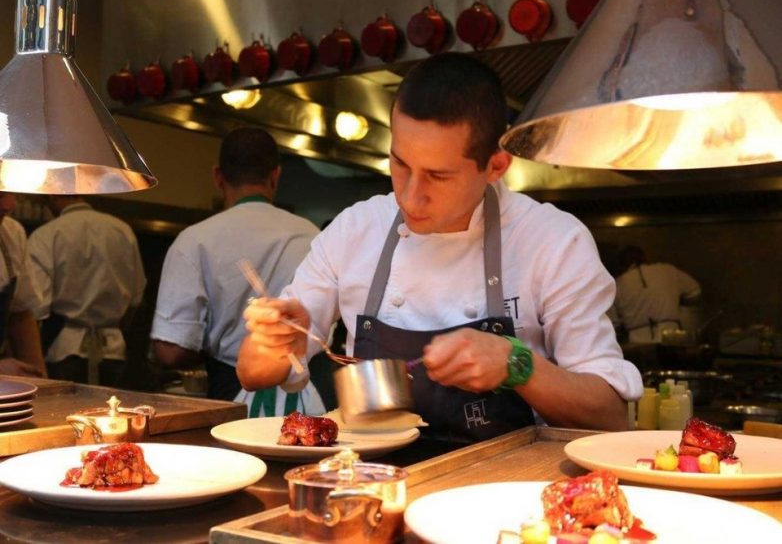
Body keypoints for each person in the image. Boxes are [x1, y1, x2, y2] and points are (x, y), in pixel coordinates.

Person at [237, 53, 643, 444]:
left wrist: (517, 365)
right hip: (370, 475)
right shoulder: (355, 230)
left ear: (496, 166)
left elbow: (609, 417)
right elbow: (252, 374)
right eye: (400, 164)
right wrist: (275, 339)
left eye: (438, 176)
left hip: (505, 481)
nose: (411, 197)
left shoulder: (553, 242)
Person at [151, 127, 324, 416]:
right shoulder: (313, 235)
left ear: (218, 176)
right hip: (312, 393)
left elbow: (170, 351)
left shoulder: (194, 239)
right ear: (275, 176)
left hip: (229, 392)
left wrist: (211, 347)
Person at [27, 195, 146, 386]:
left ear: (53, 195)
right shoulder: (122, 230)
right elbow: (137, 296)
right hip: (115, 349)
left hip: (64, 349)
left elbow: (37, 305)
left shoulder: (46, 234)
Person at [612, 245, 701, 344]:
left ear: (621, 265)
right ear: (645, 257)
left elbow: (614, 323)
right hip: (670, 337)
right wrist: (677, 300)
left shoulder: (618, 284)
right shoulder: (668, 271)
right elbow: (695, 291)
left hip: (638, 342)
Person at [0, 193, 46, 378]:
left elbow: (21, 314)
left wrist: (42, 382)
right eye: (0, 195)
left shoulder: (11, 233)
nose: (9, 205)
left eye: (12, 194)